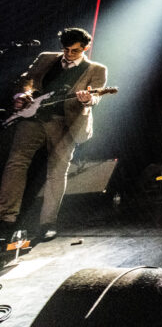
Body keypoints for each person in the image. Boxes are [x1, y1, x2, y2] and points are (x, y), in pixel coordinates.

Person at [0, 28, 107, 241]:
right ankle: (6, 218)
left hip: (65, 124)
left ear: (86, 48)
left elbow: (96, 97)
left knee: (57, 172)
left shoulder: (96, 69)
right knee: (16, 164)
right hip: (33, 118)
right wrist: (23, 94)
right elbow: (26, 80)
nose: (69, 54)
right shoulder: (46, 58)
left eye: (75, 51)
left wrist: (88, 99)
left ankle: (47, 223)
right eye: (66, 50)